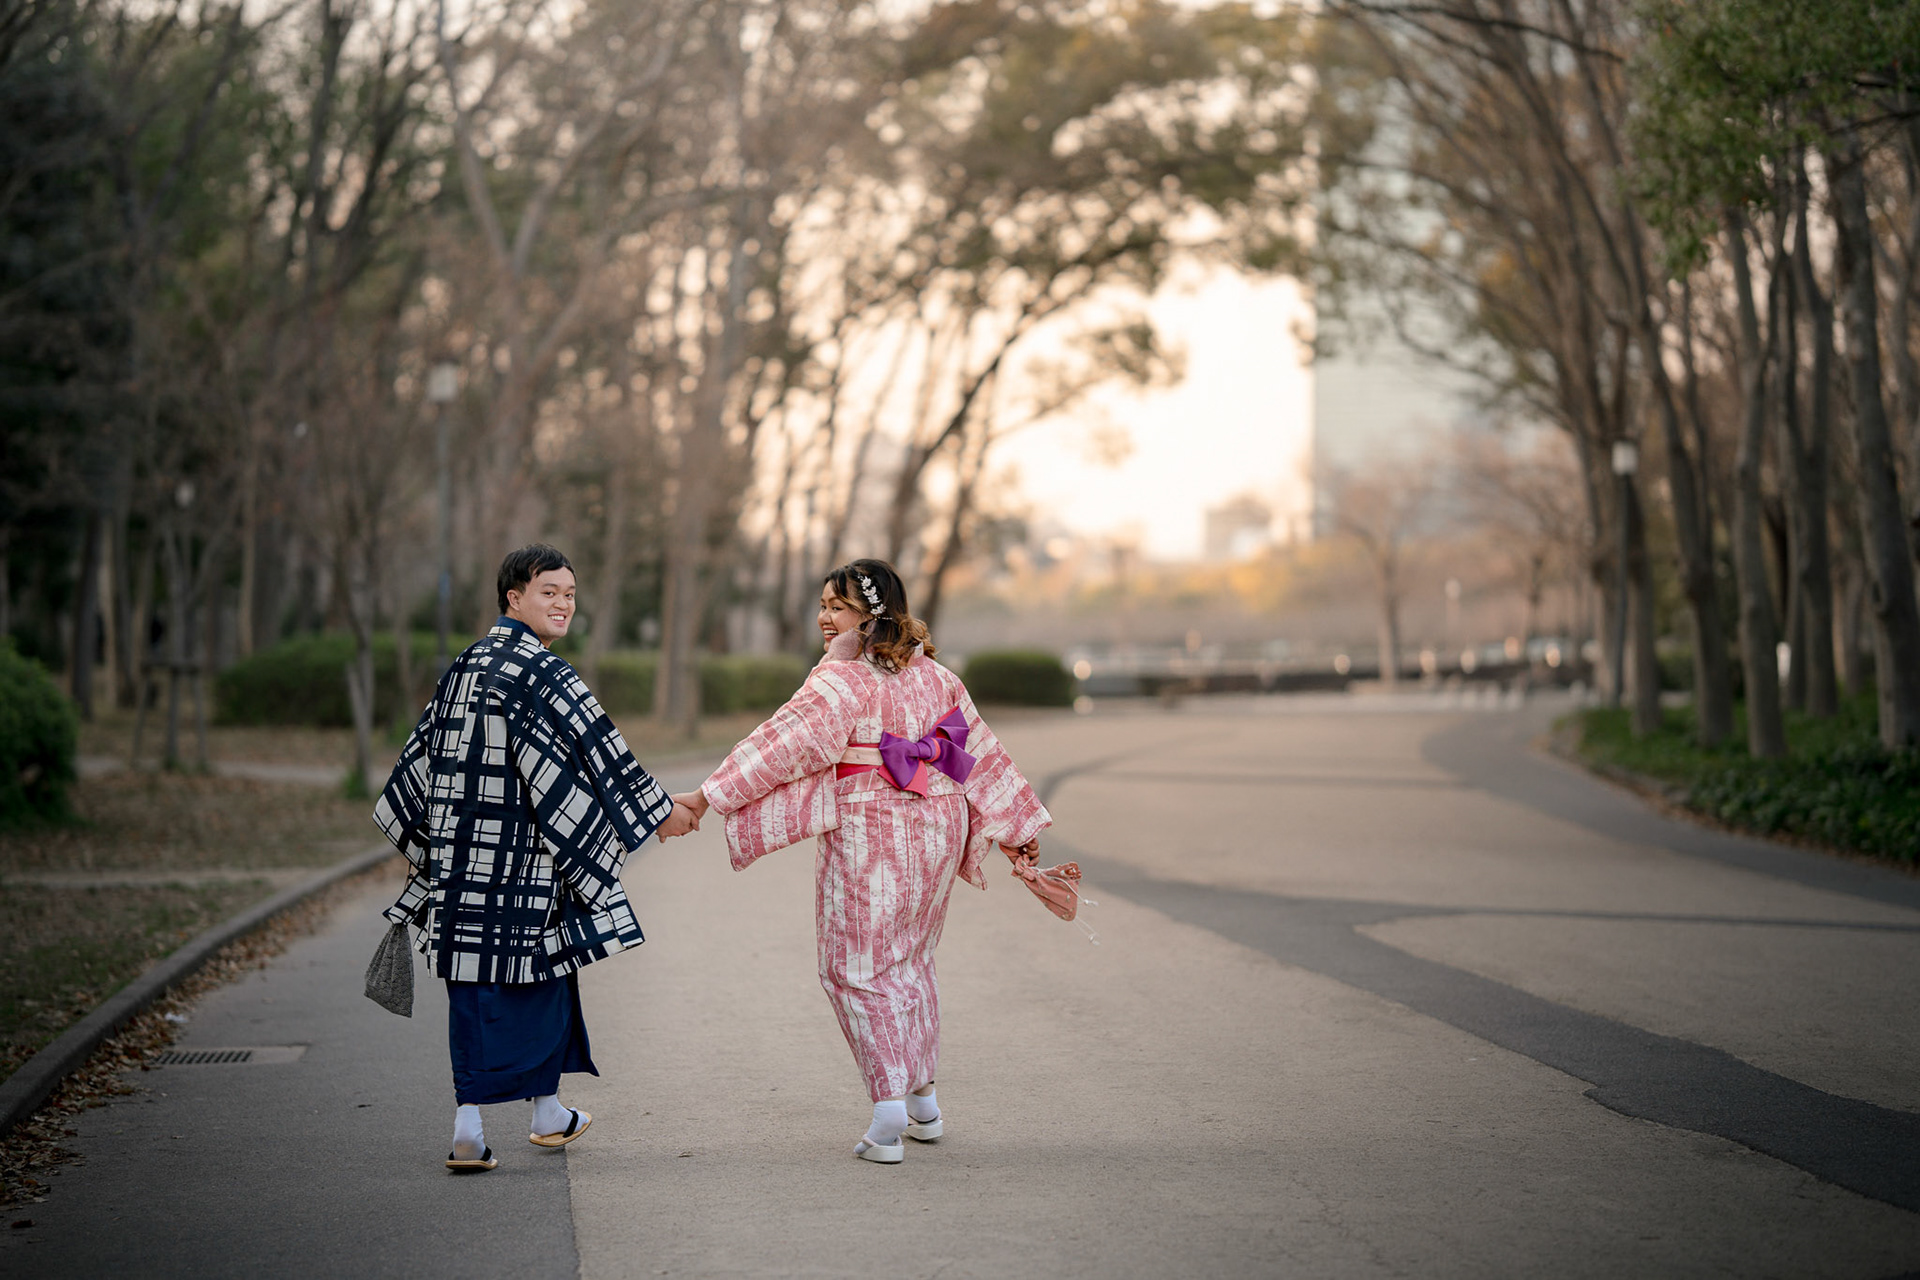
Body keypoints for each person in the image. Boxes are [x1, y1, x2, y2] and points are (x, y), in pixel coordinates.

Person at [671, 558, 1049, 1164]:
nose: (824, 617)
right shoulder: (939, 679)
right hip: (937, 825)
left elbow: (782, 744)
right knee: (911, 959)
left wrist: (708, 796)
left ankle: (887, 1114)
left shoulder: (844, 681)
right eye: (822, 604)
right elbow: (979, 753)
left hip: (873, 826)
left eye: (837, 607)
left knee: (854, 966)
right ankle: (924, 1102)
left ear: (870, 614)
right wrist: (1016, 827)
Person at [374, 543, 698, 1172]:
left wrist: (434, 846)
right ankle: (543, 1109)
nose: (563, 603)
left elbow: (417, 767)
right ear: (513, 597)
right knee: (544, 975)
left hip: (462, 864)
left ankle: (476, 1127)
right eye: (549, 591)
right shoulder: (542, 671)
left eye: (570, 593)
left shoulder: (465, 666)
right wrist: (660, 812)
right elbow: (594, 759)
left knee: (470, 988)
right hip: (524, 861)